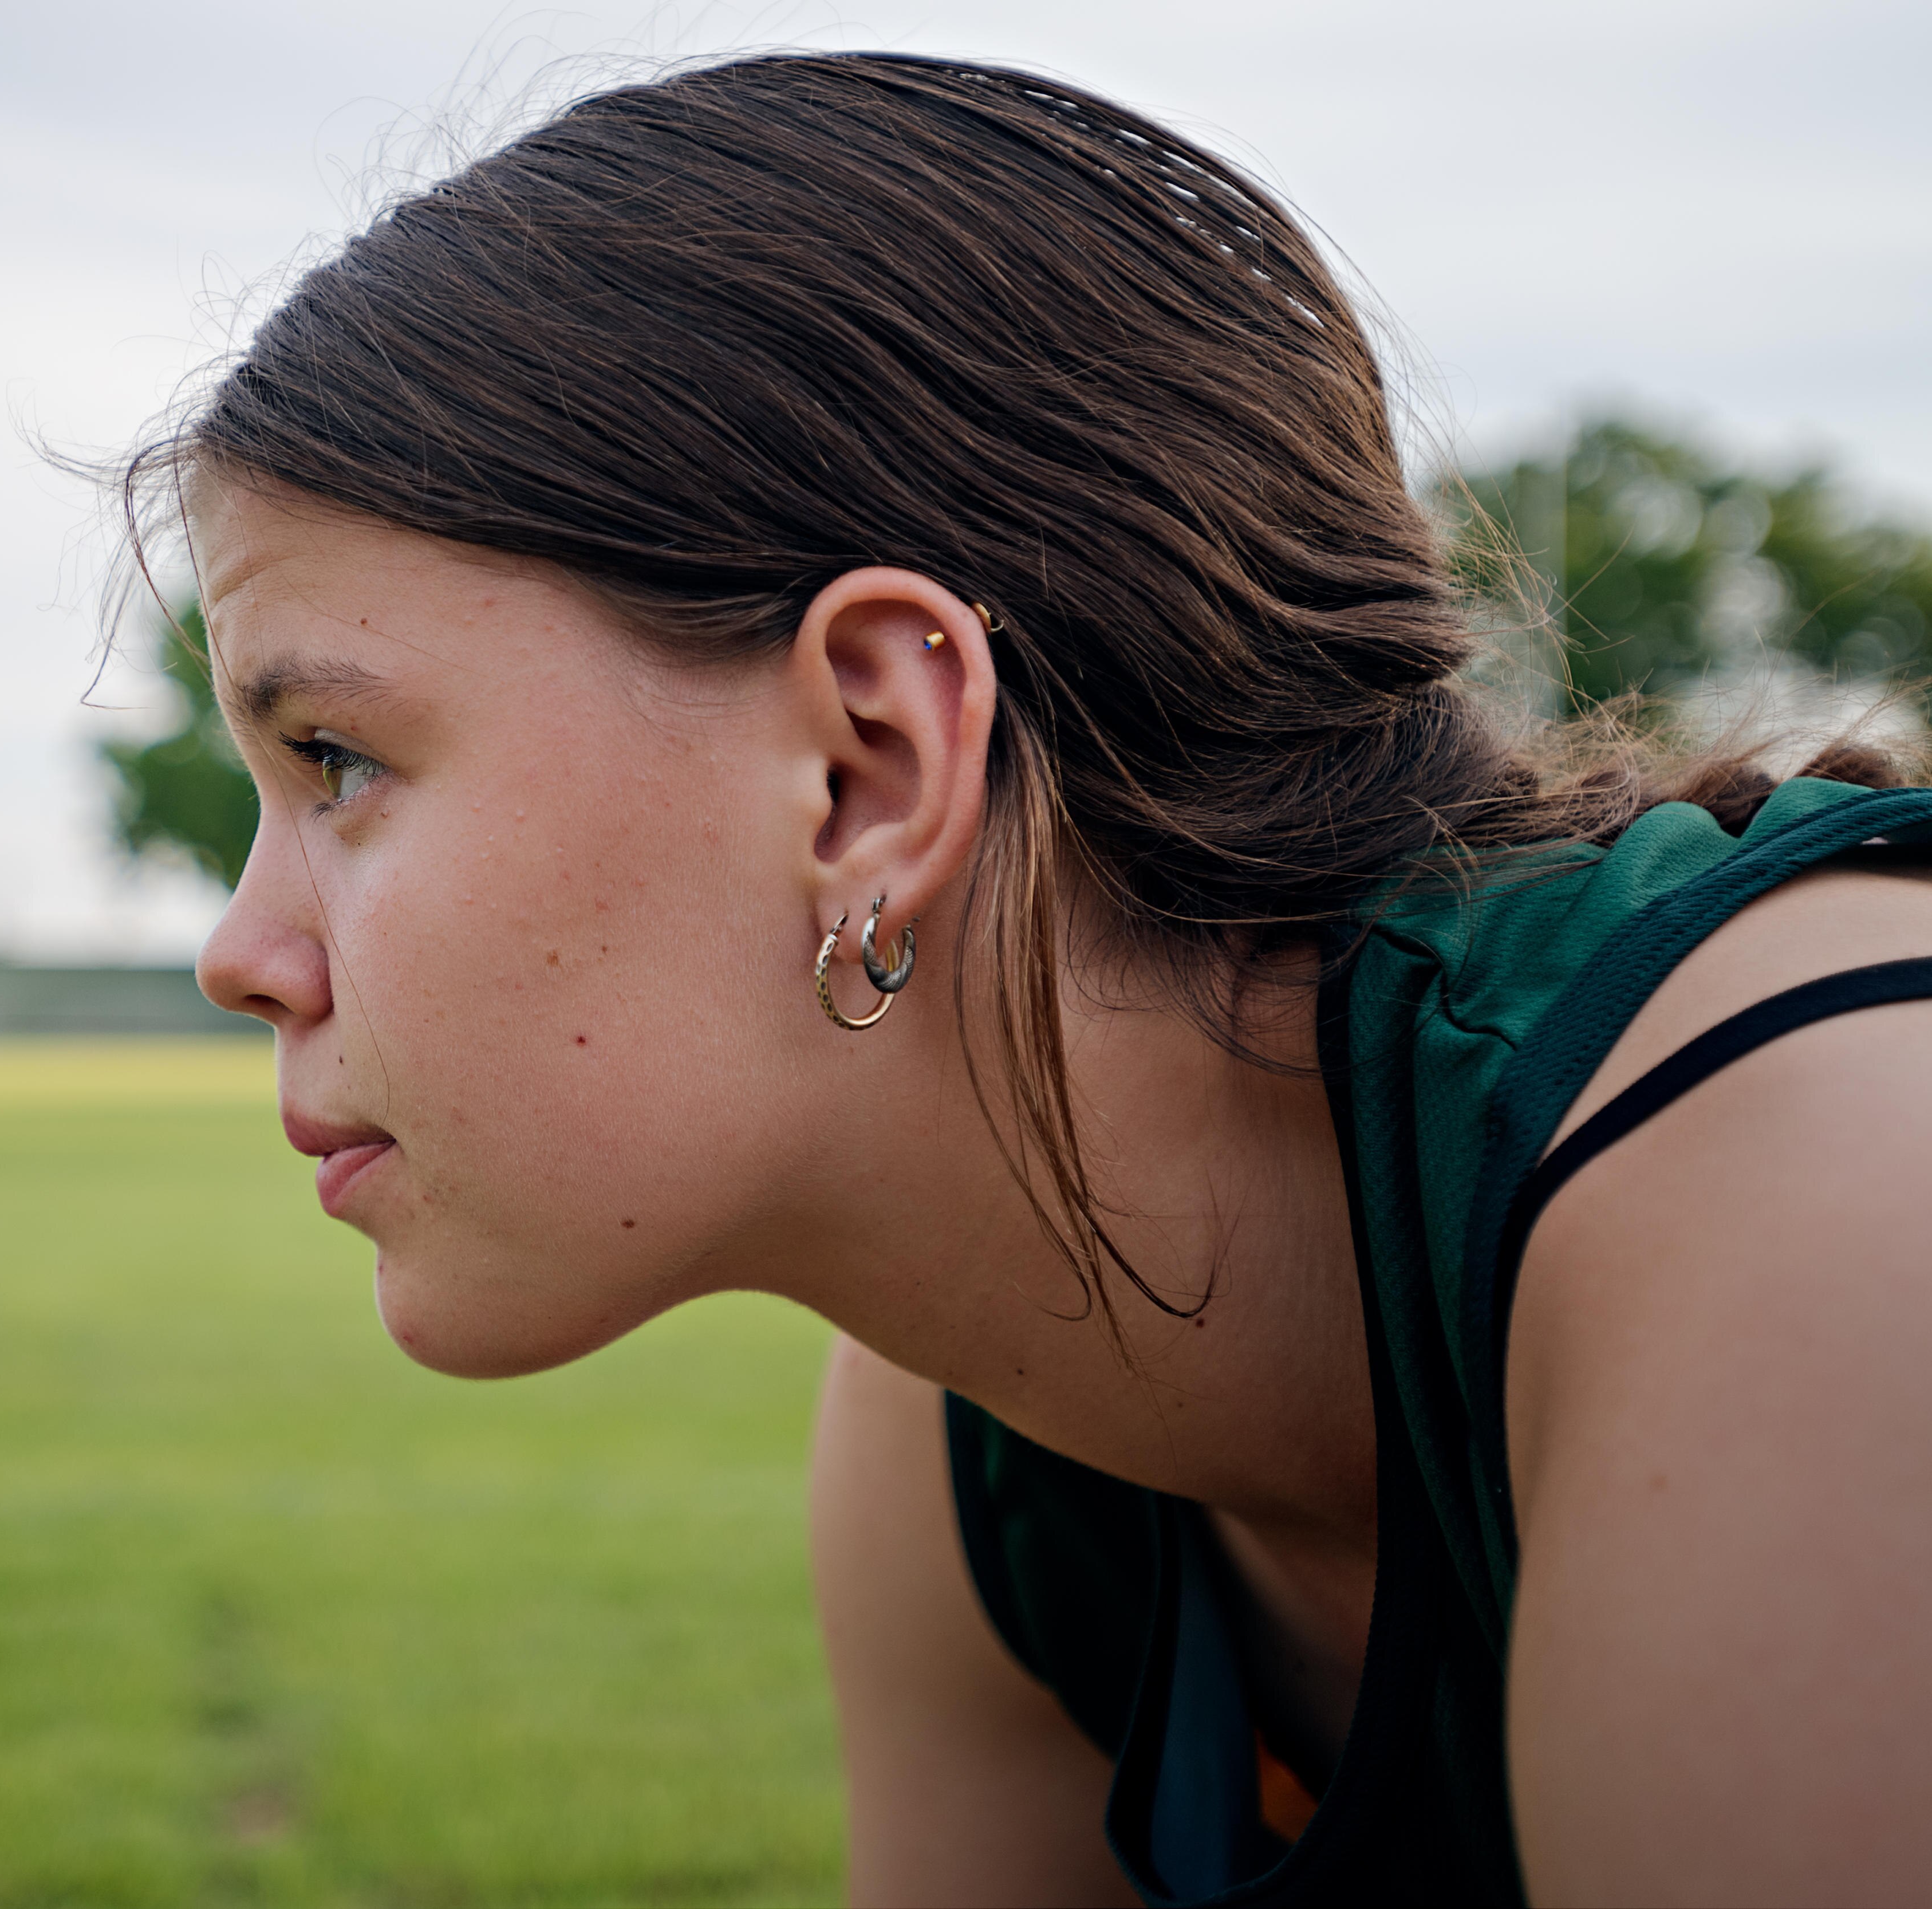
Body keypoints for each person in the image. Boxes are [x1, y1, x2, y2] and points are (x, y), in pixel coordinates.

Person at [143, 53, 1932, 1906]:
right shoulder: (983, 1410)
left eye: (338, 763)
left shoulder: (1833, 1189)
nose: (239, 956)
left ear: (872, 765)